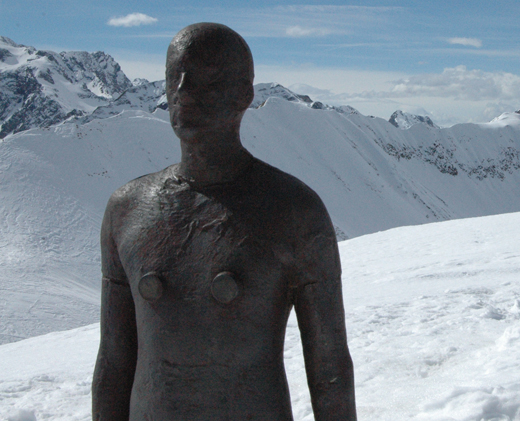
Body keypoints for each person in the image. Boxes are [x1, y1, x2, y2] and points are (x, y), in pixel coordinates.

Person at [92, 23, 356, 420]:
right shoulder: (126, 210)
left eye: (206, 81)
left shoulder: (294, 212)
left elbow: (329, 369)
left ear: (244, 95)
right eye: (174, 78)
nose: (183, 93)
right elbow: (113, 363)